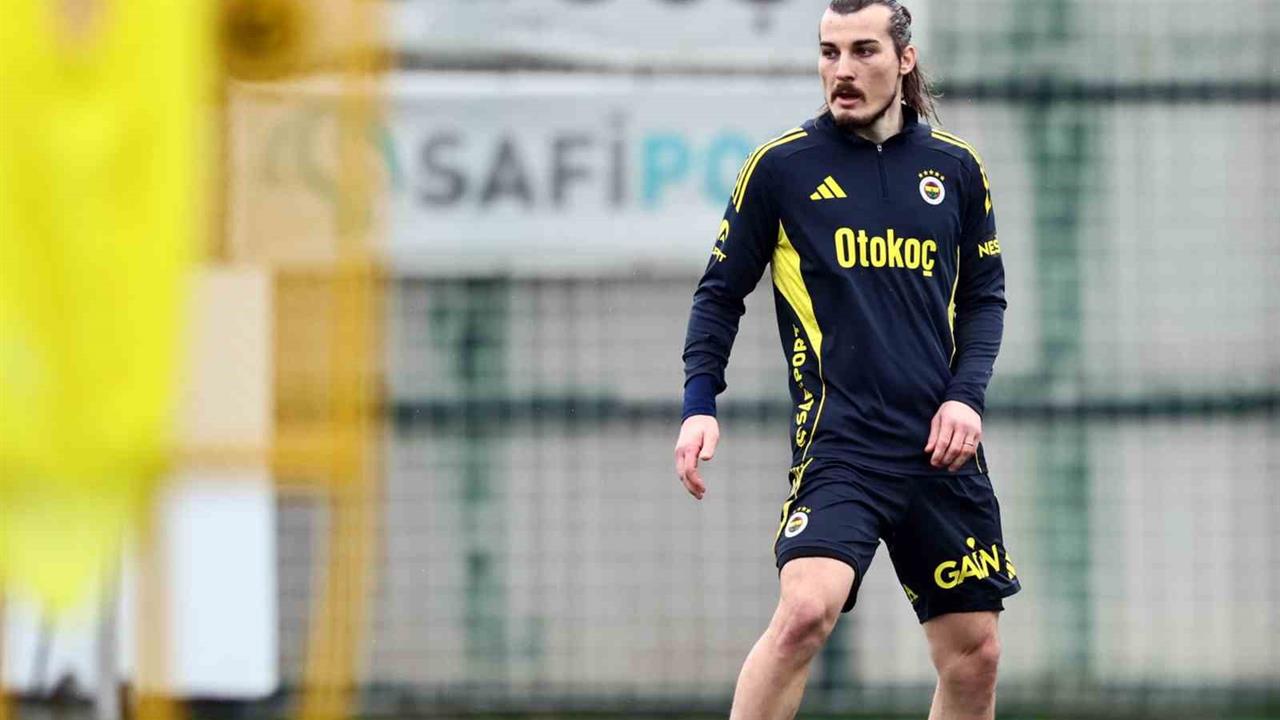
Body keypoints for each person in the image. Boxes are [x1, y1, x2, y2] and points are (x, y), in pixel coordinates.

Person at [674, 1, 1020, 718]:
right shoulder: (782, 168)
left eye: (863, 50)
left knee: (976, 655)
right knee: (805, 612)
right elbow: (719, 294)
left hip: (939, 449)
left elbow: (985, 297)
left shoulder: (955, 168)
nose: (842, 70)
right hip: (843, 444)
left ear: (904, 59)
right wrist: (699, 403)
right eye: (829, 52)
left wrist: (966, 396)